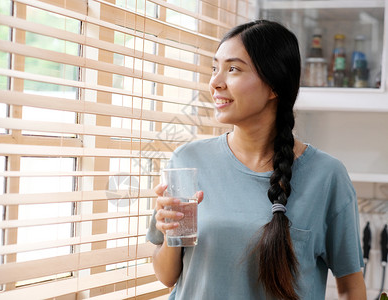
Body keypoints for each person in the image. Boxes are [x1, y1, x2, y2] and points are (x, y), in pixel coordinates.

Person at [146, 20, 367, 300]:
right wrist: (169, 234)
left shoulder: (327, 176)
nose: (215, 82)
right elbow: (167, 276)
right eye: (215, 68)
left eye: (233, 69)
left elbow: (351, 287)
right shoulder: (188, 160)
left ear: (274, 86)